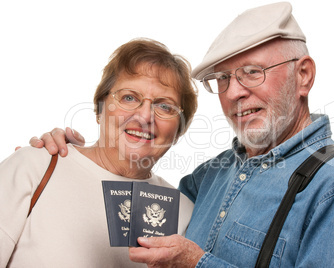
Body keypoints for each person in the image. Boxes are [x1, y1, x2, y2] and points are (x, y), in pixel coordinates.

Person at [28, 2, 334, 267]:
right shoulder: (210, 177)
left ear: (304, 76)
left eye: (252, 72)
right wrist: (69, 158)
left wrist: (198, 264)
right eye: (223, 79)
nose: (233, 93)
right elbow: (130, 186)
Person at [0, 38, 197, 267]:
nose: (145, 117)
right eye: (129, 97)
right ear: (99, 109)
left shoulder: (186, 214)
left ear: (179, 130)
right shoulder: (33, 167)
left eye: (165, 106)